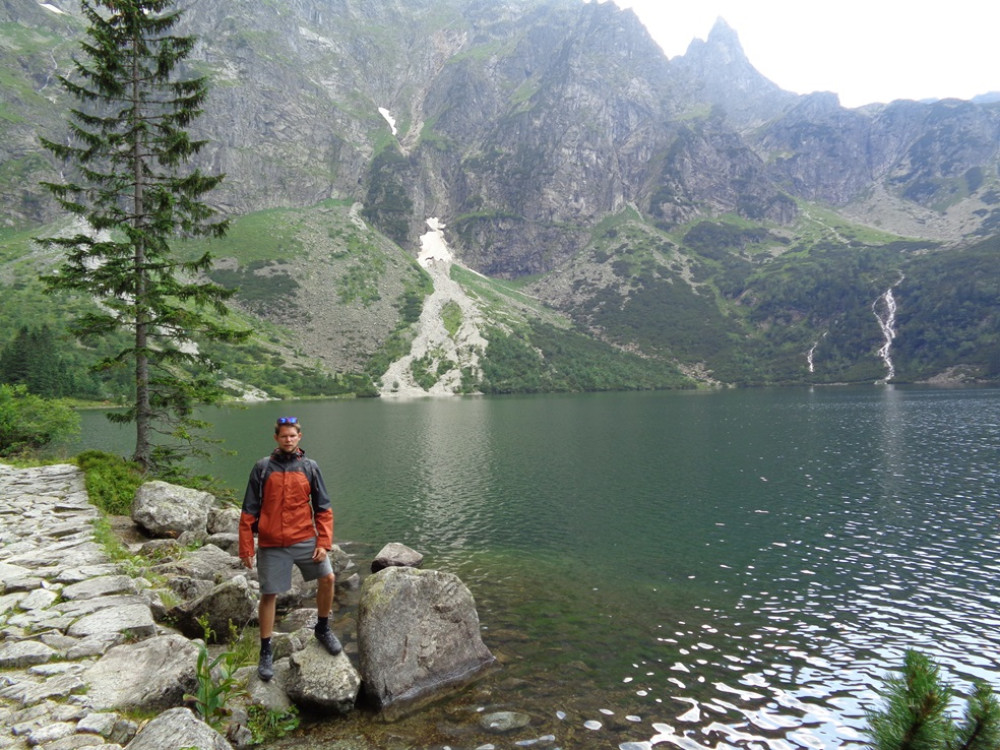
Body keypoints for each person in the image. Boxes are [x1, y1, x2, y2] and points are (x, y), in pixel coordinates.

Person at [238, 416, 342, 681]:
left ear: (300, 437)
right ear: (276, 438)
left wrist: (323, 542)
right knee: (269, 594)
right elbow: (249, 509)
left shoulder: (310, 467)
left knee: (328, 577)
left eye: (292, 435)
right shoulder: (262, 468)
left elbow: (323, 508)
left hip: (304, 538)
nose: (288, 439)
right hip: (272, 542)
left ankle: (322, 628)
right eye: (283, 436)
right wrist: (247, 546)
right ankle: (265, 650)